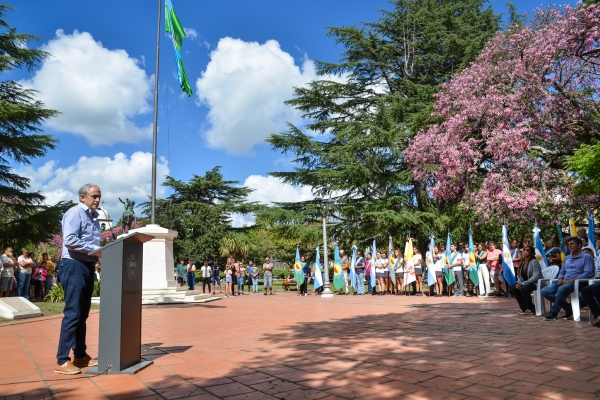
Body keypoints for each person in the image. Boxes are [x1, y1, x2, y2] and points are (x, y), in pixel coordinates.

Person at [55, 183, 102, 375]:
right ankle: (61, 360)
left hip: (87, 266)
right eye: (93, 196)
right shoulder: (75, 213)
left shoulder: (95, 218)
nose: (97, 200)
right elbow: (71, 240)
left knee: (82, 314)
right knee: (73, 313)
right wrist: (96, 251)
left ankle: (80, 355)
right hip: (73, 265)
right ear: (82, 197)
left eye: (99, 196)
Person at [542, 237, 595, 320]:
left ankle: (554, 312)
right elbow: (562, 271)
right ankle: (568, 308)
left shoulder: (587, 257)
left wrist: (571, 280)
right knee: (545, 291)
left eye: (572, 244)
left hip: (579, 283)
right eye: (568, 244)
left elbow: (589, 273)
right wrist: (560, 278)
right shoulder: (567, 258)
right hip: (564, 281)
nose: (569, 246)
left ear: (579, 245)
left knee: (562, 289)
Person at [510, 246, 542, 315]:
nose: (524, 251)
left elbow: (536, 276)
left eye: (527, 250)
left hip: (536, 283)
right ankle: (523, 307)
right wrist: (519, 283)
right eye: (524, 249)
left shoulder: (534, 262)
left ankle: (531, 308)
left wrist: (523, 284)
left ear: (531, 253)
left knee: (524, 288)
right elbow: (520, 276)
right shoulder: (523, 262)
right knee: (513, 288)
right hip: (525, 283)